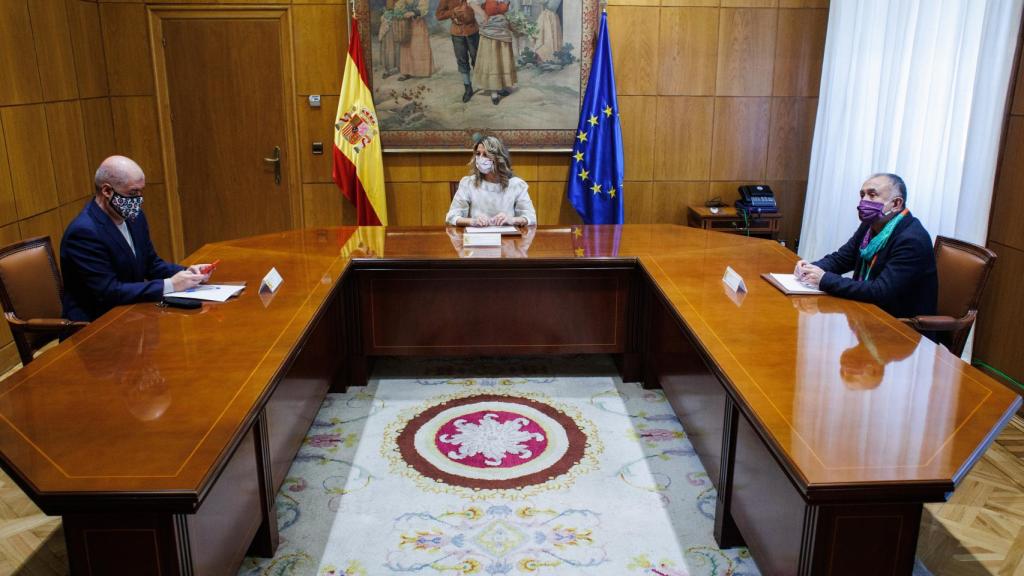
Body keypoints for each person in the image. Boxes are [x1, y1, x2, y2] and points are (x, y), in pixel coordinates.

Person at [61, 156, 212, 322]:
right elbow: (108, 291)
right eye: (133, 193)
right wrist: (171, 285)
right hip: (97, 323)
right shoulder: (84, 232)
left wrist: (188, 273)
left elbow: (151, 264)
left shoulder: (135, 217)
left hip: (132, 313)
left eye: (141, 191)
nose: (139, 200)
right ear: (107, 191)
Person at [794, 173, 937, 320]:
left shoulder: (912, 239)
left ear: (896, 204)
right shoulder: (869, 226)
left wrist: (824, 279)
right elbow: (842, 259)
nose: (863, 201)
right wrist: (810, 268)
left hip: (898, 324)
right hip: (867, 312)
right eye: (862, 195)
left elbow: (881, 291)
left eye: (872, 195)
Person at [445, 135, 536, 226]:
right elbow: (452, 217)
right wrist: (473, 221)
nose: (480, 158)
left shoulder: (516, 184)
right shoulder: (468, 183)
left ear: (498, 158)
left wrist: (512, 220)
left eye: (485, 154)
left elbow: (530, 218)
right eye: (478, 154)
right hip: (478, 233)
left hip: (507, 234)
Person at [472, 0, 517, 105]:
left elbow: (509, 14)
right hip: (489, 33)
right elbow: (472, 3)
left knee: (502, 61)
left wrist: (515, 28)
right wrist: (483, 16)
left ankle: (501, 87)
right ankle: (494, 92)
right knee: (493, 61)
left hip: (503, 33)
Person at [436, 0, 480, 102]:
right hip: (457, 33)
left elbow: (481, 6)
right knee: (462, 60)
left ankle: (483, 83)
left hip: (472, 30)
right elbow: (439, 15)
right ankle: (468, 88)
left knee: (477, 58)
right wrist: (453, 12)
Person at [396, 0, 434, 81]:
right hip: (406, 24)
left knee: (419, 46)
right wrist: (401, 12)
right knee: (406, 47)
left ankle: (422, 71)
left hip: (418, 23)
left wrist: (413, 13)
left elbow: (424, 8)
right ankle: (406, 72)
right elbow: (399, 5)